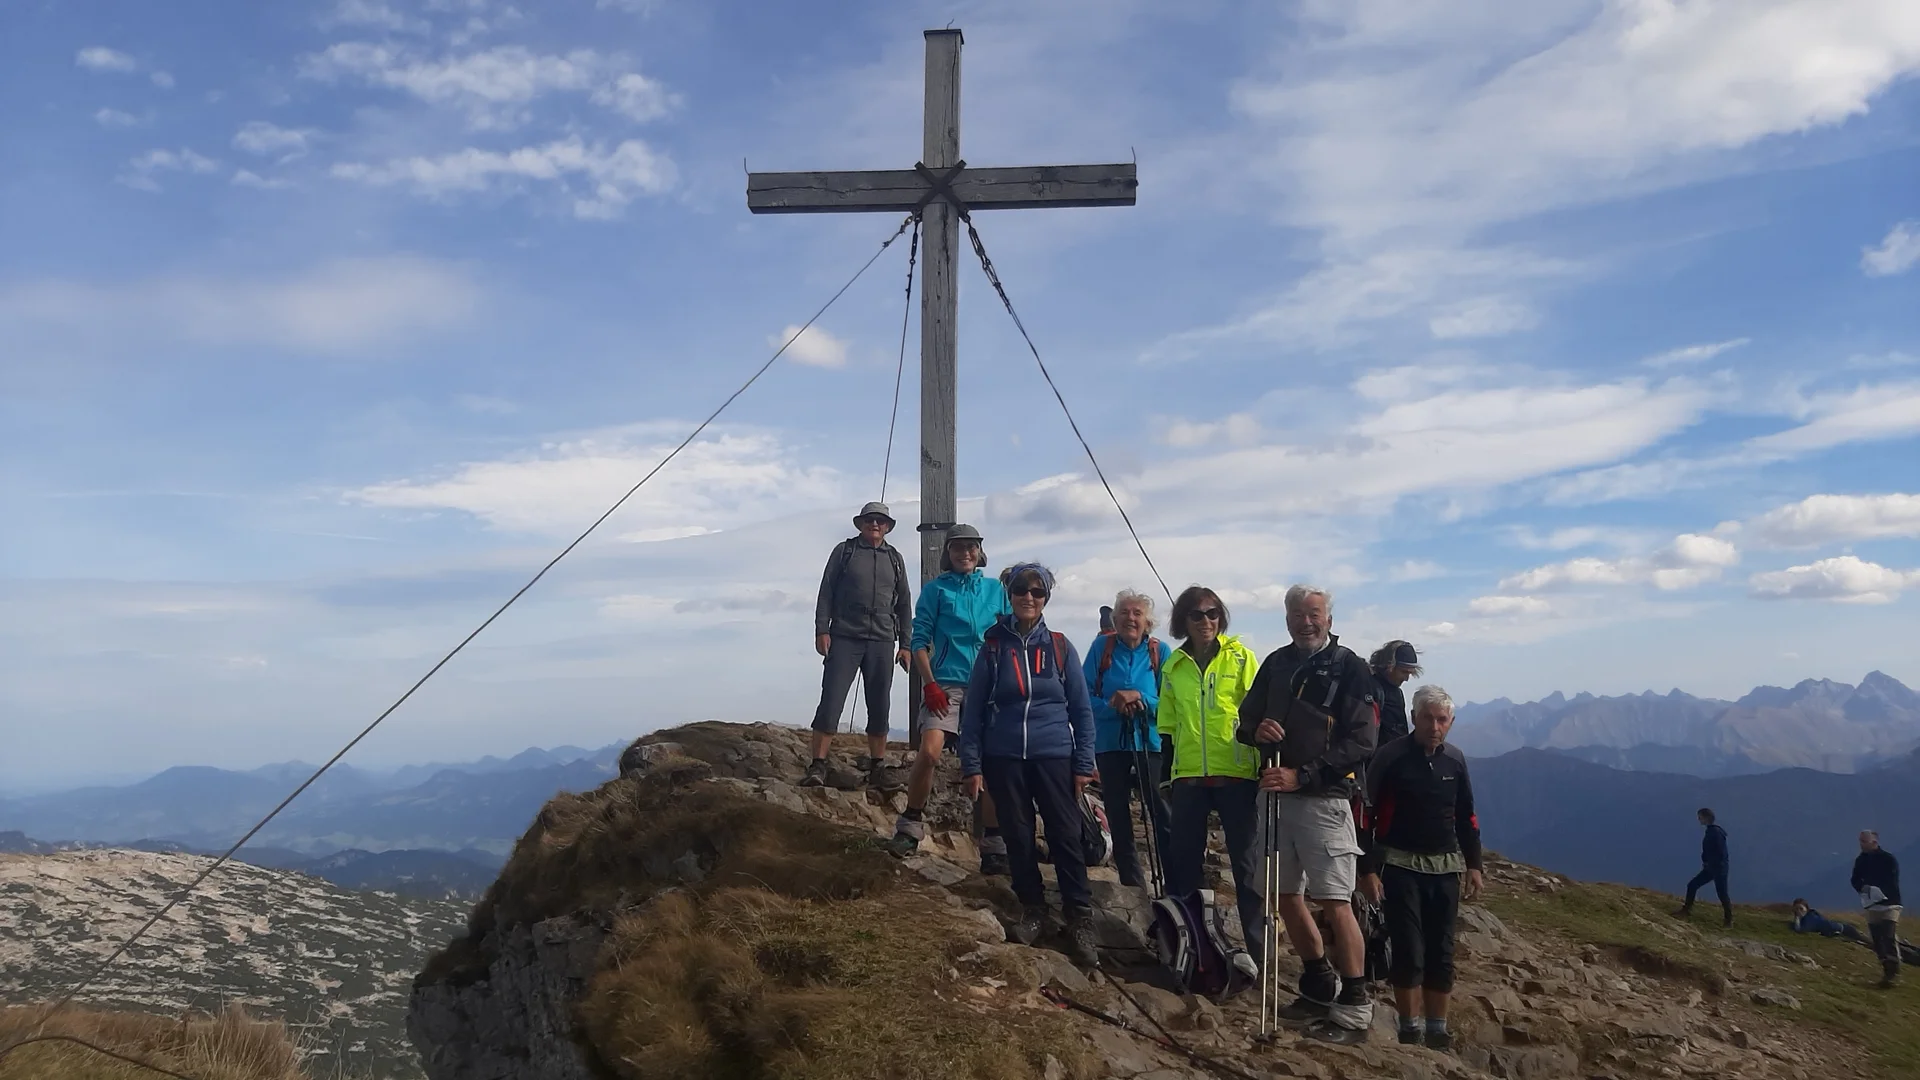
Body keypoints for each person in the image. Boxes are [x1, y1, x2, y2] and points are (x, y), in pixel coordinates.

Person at [1238, 583, 1379, 1043]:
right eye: (1298, 614)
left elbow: (1362, 741)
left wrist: (1305, 775)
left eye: (1314, 613)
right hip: (1275, 794)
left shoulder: (1351, 668)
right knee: (1282, 894)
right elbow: (1244, 722)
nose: (1306, 621)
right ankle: (1319, 982)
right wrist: (1257, 730)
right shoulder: (1276, 663)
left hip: (1325, 798)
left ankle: (1356, 1003)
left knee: (1335, 900)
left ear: (1329, 620)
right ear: (1286, 619)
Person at [958, 562, 1100, 967]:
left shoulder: (1059, 646)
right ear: (1010, 593)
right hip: (1004, 757)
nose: (1029, 597)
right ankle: (1034, 909)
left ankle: (1080, 916)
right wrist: (972, 765)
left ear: (1046, 599)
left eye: (1038, 591)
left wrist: (1083, 763)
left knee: (1066, 836)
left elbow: (1081, 709)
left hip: (1054, 753)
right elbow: (972, 714)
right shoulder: (992, 647)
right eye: (1021, 588)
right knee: (1018, 837)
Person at [1359, 685, 1482, 1051]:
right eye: (1427, 718)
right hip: (1399, 865)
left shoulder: (1455, 761)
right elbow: (1365, 814)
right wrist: (1366, 869)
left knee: (1441, 950)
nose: (1434, 725)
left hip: (1445, 868)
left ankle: (1438, 1029)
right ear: (1414, 718)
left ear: (1452, 722)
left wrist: (1474, 865)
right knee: (1409, 948)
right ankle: (1409, 1028)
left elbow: (1467, 816)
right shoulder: (1390, 757)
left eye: (1442, 719)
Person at [884, 525, 1011, 874]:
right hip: (947, 685)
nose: (965, 553)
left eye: (971, 547)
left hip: (989, 687)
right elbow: (919, 639)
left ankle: (994, 844)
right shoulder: (936, 590)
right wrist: (929, 684)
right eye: (958, 548)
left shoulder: (995, 590)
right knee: (929, 753)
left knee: (990, 763)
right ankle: (910, 826)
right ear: (948, 553)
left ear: (980, 552)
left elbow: (1007, 636)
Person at [1156, 585, 1264, 968]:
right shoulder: (1172, 667)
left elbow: (1259, 714)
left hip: (1237, 773)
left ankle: (1258, 956)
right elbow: (1167, 726)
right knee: (1183, 866)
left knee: (1248, 871)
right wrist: (1167, 775)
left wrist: (1264, 765)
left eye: (1213, 613)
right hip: (1188, 777)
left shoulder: (1241, 658)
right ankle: (1192, 949)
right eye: (1197, 614)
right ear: (1182, 620)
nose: (1206, 621)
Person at [802, 502, 913, 790]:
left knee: (879, 705)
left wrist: (906, 644)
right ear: (861, 524)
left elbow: (903, 604)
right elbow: (826, 592)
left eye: (880, 520)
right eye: (869, 520)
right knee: (831, 701)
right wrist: (821, 630)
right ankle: (818, 766)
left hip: (882, 639)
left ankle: (878, 767)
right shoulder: (844, 551)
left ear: (887, 526)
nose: (874, 524)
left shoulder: (895, 558)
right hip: (844, 637)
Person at [1084, 589, 1175, 889]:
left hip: (1149, 742)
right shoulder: (1102, 648)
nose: (1130, 618)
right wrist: (1113, 703)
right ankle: (1132, 884)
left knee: (1161, 810)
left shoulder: (1160, 653)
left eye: (1137, 613)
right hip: (1110, 743)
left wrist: (1143, 700)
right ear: (1115, 618)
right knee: (1118, 813)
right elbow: (1084, 695)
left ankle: (1173, 878)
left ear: (1148, 622)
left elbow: (1172, 701)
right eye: (1124, 612)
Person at [1852, 830, 1903, 987]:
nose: (1861, 844)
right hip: (1871, 905)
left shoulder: (1888, 859)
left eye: (1864, 841)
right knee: (1877, 938)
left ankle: (1893, 969)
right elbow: (1854, 879)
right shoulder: (1861, 860)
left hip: (1890, 904)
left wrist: (1879, 891)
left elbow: (1892, 880)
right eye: (1860, 841)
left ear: (1874, 842)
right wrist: (1864, 889)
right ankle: (1886, 968)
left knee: (1888, 934)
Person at [1674, 808, 1732, 927]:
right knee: (1693, 885)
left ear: (1705, 818)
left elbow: (1720, 853)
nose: (1699, 819)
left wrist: (1711, 863)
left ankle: (1728, 920)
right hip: (1713, 867)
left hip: (1718, 868)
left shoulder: (1714, 833)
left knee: (1722, 893)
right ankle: (1686, 910)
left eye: (1700, 817)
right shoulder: (1713, 831)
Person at [1368, 641, 1422, 745]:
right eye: (1403, 672)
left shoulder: (1396, 693)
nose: (1406, 679)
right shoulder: (1371, 690)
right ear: (1389, 666)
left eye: (1409, 673)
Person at [1789, 898, 1865, 942]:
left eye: (1801, 909)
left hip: (1843, 930)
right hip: (1841, 928)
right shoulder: (1812, 914)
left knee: (1863, 941)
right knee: (1862, 940)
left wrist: (1797, 918)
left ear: (1806, 908)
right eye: (1796, 909)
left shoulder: (1810, 919)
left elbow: (1801, 930)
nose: (1799, 911)